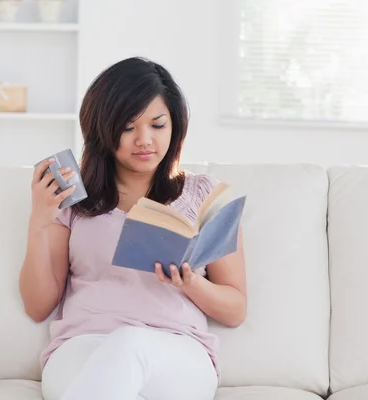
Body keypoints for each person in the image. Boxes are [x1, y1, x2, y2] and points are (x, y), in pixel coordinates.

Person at [19, 57, 247, 400]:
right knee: (116, 359)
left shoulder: (205, 195)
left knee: (131, 343)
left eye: (158, 125)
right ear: (102, 129)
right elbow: (37, 306)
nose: (145, 140)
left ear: (176, 127)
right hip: (82, 347)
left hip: (176, 351)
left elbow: (236, 310)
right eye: (128, 127)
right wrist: (39, 221)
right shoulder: (73, 198)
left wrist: (191, 283)